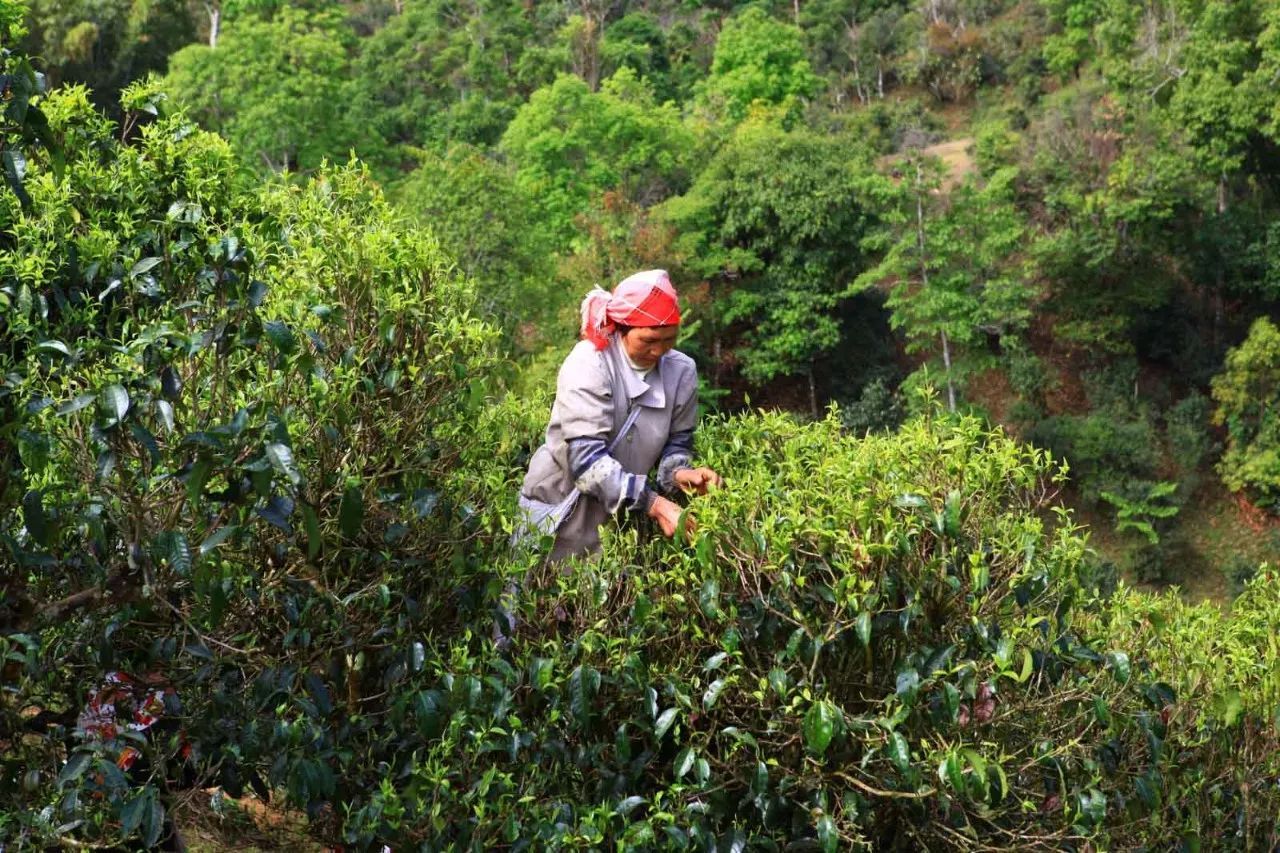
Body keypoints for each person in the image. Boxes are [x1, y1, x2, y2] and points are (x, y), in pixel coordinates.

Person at [517, 269, 722, 562]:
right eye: (649, 339)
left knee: (601, 602)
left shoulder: (682, 371)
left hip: (618, 520)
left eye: (669, 339)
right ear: (622, 329)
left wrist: (679, 473)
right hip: (558, 507)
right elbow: (586, 462)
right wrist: (654, 504)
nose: (659, 351)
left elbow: (677, 443)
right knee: (535, 599)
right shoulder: (590, 362)